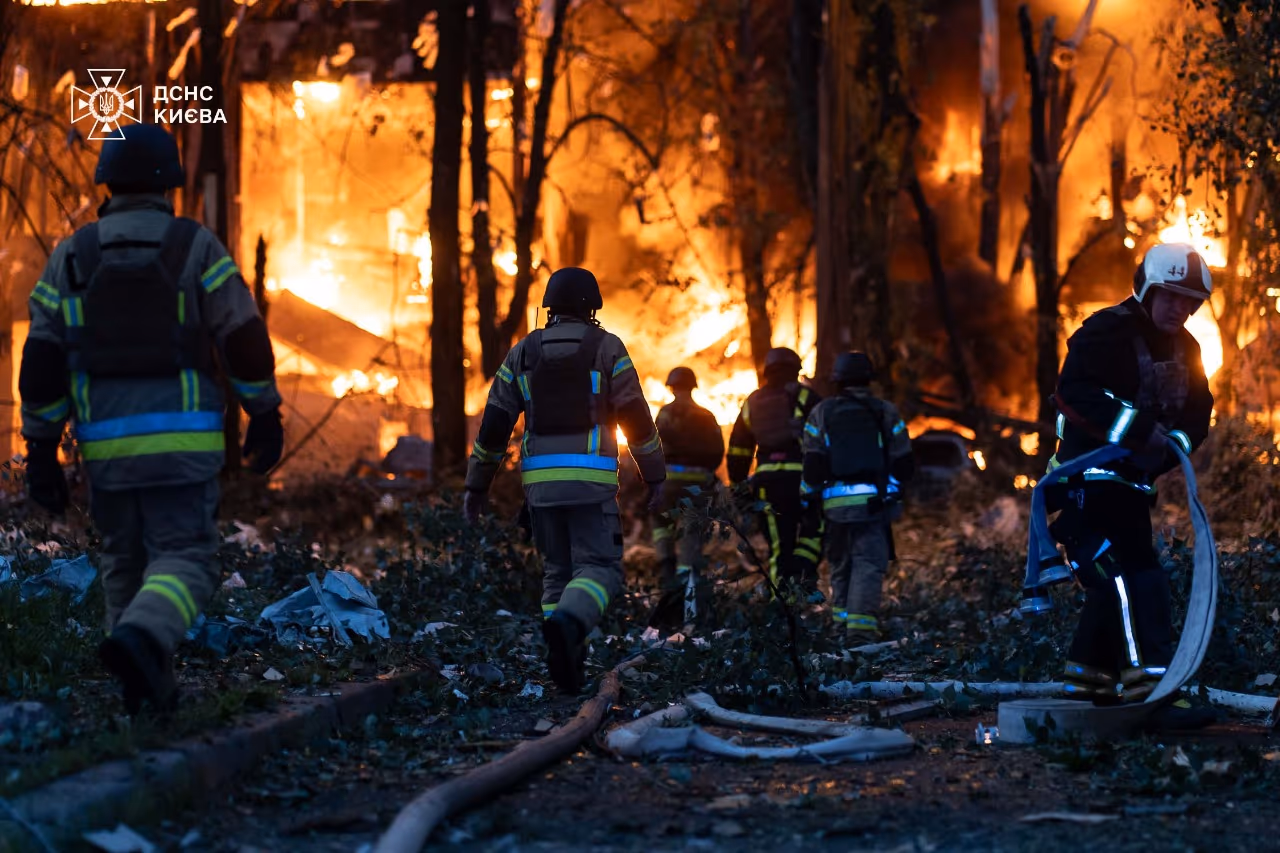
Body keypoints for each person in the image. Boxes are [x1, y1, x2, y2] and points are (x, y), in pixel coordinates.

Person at [19, 123, 283, 715]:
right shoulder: (194, 247)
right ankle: (142, 637)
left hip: (106, 451)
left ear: (107, 182)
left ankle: (145, 692)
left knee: (124, 562)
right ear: (169, 184)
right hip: (181, 449)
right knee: (186, 560)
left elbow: (41, 360)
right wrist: (263, 411)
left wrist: (40, 450)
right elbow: (242, 337)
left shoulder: (73, 256)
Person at [463, 267, 665, 693]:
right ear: (592, 308)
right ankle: (570, 625)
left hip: (541, 487)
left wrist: (476, 486)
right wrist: (655, 476)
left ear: (550, 307)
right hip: (590, 484)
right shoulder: (607, 348)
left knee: (557, 573)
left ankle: (566, 663)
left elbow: (494, 426)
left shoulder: (522, 352)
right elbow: (636, 417)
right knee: (601, 569)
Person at [1049, 242, 1213, 716]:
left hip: (1131, 489)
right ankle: (1151, 691)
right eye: (1171, 296)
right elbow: (1074, 393)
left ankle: (1088, 683)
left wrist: (1169, 447)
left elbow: (1197, 415)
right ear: (1147, 289)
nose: (1179, 308)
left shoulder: (1187, 349)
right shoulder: (1106, 332)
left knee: (1125, 579)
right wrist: (1139, 431)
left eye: (1189, 301)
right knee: (1129, 580)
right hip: (1084, 484)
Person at [801, 352, 913, 643]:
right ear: (868, 379)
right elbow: (903, 462)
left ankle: (841, 628)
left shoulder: (821, 412)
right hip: (873, 506)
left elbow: (812, 466)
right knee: (867, 563)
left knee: (840, 566)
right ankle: (860, 633)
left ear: (837, 380)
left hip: (834, 508)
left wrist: (808, 500)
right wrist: (893, 492)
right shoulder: (885, 411)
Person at [727, 347, 821, 590]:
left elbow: (739, 449)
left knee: (779, 546)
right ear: (796, 369)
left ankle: (780, 603)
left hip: (768, 485)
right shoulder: (807, 397)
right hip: (804, 481)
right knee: (815, 531)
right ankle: (800, 576)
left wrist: (738, 486)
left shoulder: (753, 402)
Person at [649, 366, 725, 630]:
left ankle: (666, 565)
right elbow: (717, 451)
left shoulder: (664, 414)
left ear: (671, 387)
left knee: (661, 525)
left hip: (667, 483)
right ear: (693, 387)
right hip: (697, 485)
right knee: (691, 538)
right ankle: (687, 599)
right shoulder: (706, 415)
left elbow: (652, 446)